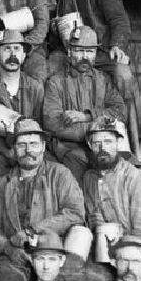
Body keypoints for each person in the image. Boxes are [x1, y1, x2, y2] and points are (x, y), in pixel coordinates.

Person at [0, 118, 86, 281]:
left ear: (43, 146)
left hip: (52, 255)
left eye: (33, 144)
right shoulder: (3, 183)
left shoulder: (60, 174)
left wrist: (33, 230)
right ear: (14, 150)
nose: (28, 150)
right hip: (16, 259)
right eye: (22, 145)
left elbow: (75, 213)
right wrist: (8, 248)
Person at [82, 116, 141, 281]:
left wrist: (123, 255)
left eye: (108, 141)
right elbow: (91, 214)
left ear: (118, 143)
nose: (102, 148)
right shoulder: (88, 178)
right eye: (96, 143)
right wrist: (95, 223)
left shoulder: (136, 179)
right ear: (90, 146)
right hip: (105, 258)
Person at [43, 27, 127, 184]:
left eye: (89, 52)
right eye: (79, 51)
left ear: (95, 54)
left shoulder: (103, 80)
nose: (84, 57)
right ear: (69, 52)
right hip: (69, 145)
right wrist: (94, 128)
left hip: (101, 140)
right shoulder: (56, 82)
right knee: (81, 165)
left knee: (127, 168)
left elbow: (120, 112)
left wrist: (87, 116)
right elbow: (52, 123)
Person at [0, 29, 45, 182]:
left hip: (28, 146)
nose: (12, 54)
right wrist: (7, 150)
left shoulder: (35, 87)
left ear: (24, 55)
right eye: (7, 48)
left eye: (17, 49)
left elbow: (40, 125)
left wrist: (25, 148)